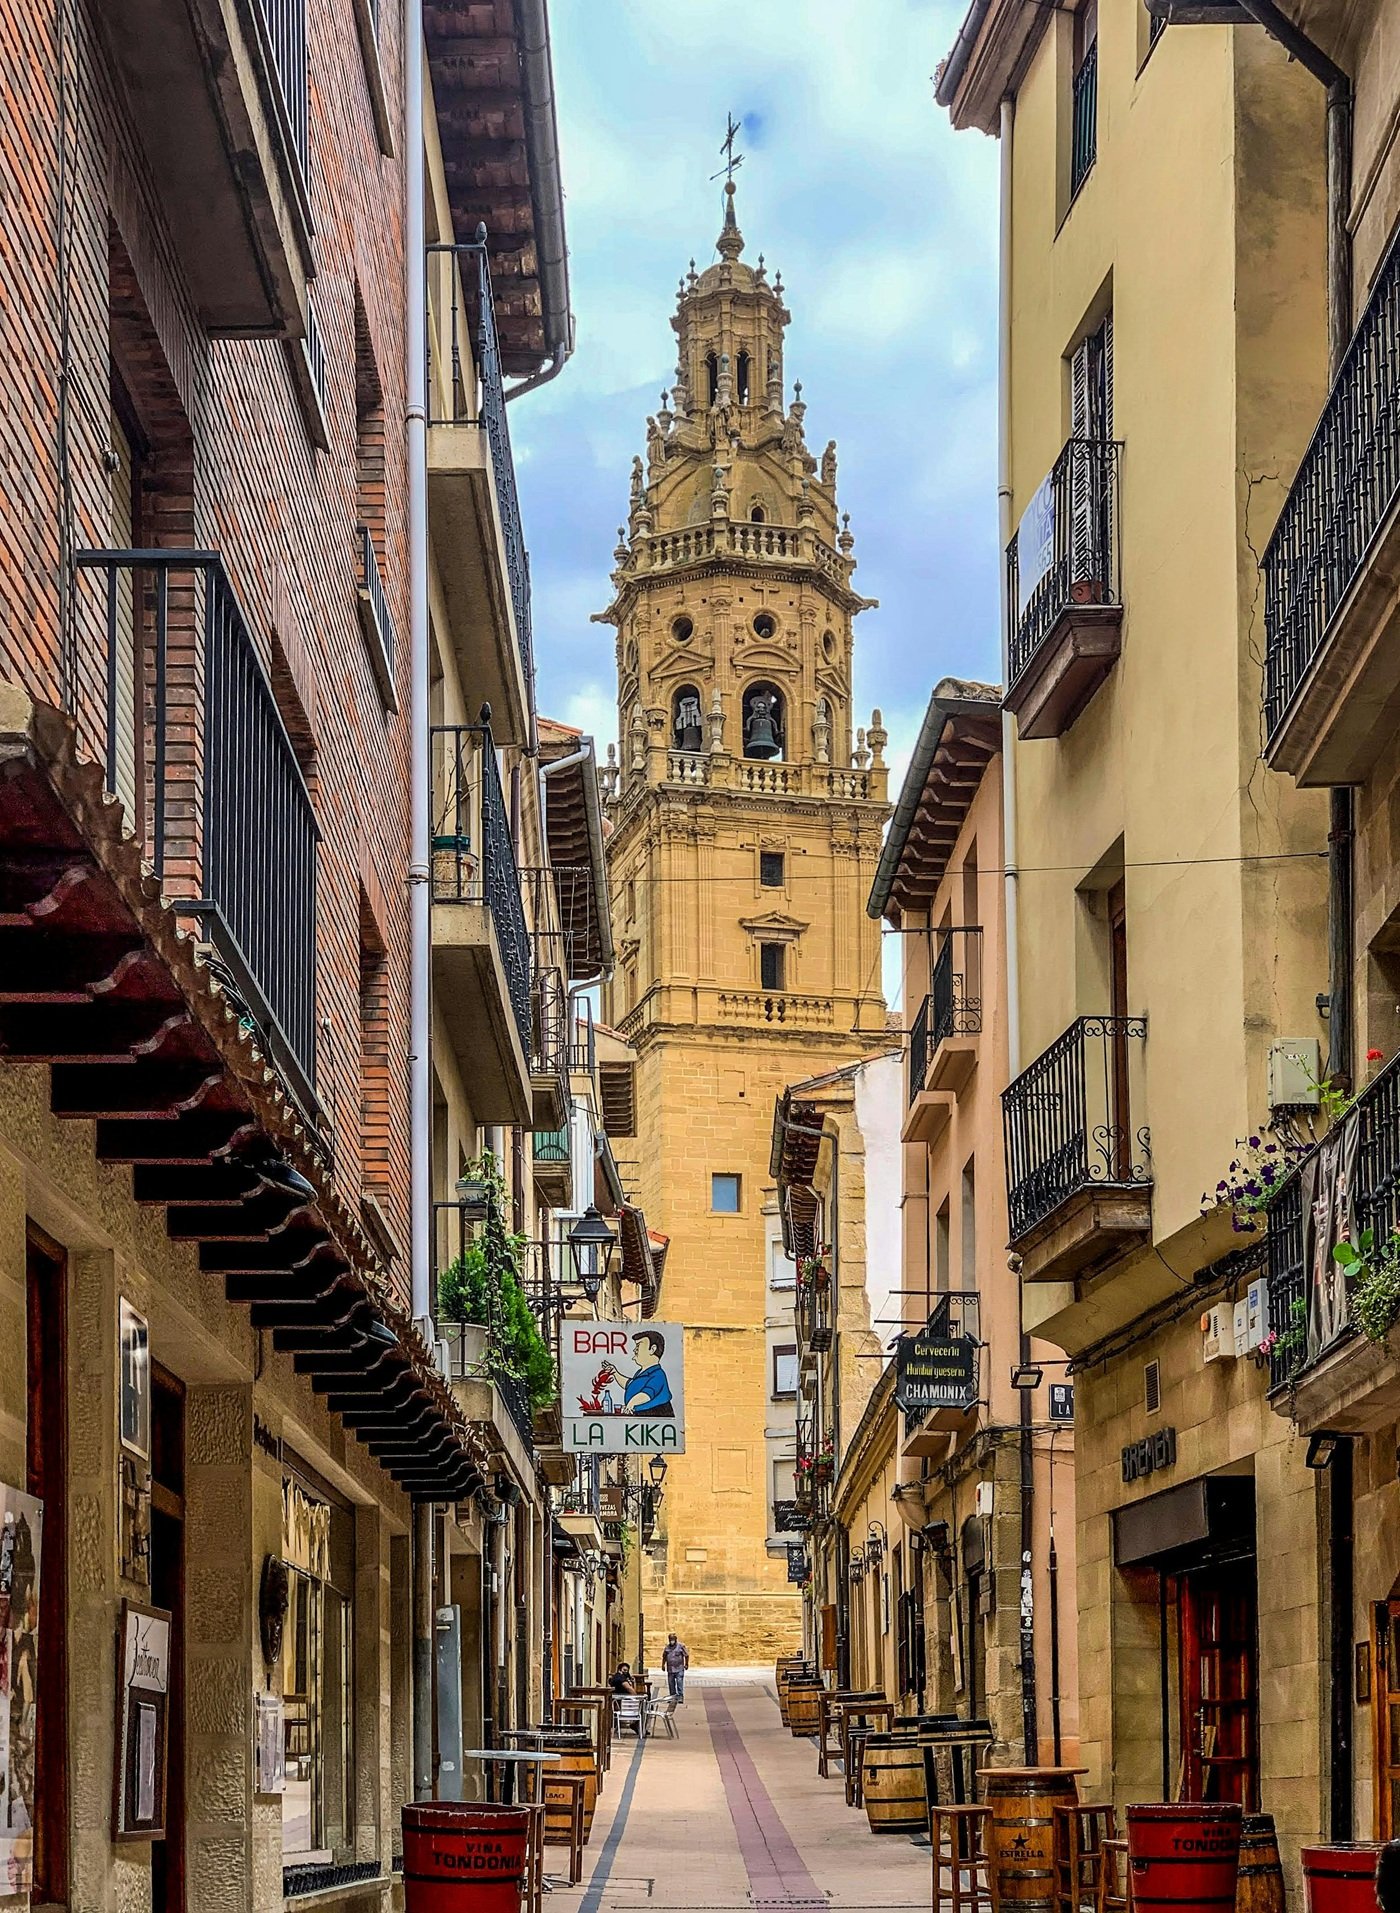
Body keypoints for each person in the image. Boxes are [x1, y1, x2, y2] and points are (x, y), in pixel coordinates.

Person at [623, 1331, 675, 1418]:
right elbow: (629, 1384)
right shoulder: (642, 1372)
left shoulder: (658, 1374)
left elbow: (647, 1394)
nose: (634, 1350)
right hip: (640, 1414)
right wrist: (614, 1372)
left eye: (638, 1346)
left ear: (652, 1349)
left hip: (656, 1413)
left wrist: (631, 1403)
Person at [661, 1632, 689, 1702]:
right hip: (670, 1669)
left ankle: (680, 1696)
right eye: (670, 1639)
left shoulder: (681, 1646)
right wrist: (663, 1665)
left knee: (679, 1682)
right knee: (671, 1683)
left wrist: (686, 1664)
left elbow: (686, 1655)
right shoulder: (667, 1648)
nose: (671, 1640)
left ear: (675, 1639)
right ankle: (673, 1696)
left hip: (679, 1668)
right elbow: (664, 1656)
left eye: (673, 1639)